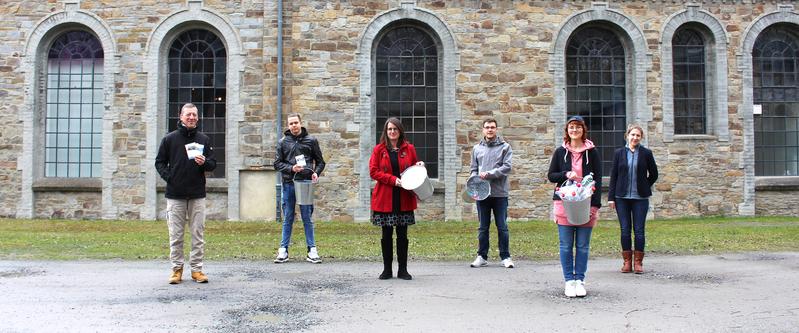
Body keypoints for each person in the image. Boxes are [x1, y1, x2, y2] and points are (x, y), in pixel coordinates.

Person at [155, 103, 217, 284]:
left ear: (198, 118)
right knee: (176, 235)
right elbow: (159, 162)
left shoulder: (204, 139)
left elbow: (213, 164)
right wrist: (170, 177)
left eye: (194, 115)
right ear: (181, 116)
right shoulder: (169, 139)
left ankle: (197, 270)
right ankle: (177, 270)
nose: (191, 118)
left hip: (197, 194)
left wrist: (204, 162)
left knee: (198, 234)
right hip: (175, 195)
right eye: (188, 114)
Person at [547, 115, 601, 298]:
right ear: (567, 130)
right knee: (565, 245)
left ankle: (580, 280)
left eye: (578, 127)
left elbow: (598, 181)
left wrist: (595, 207)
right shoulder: (559, 152)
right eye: (571, 127)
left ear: (583, 130)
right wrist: (565, 174)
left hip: (586, 204)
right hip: (564, 204)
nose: (574, 130)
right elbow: (551, 176)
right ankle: (569, 280)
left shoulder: (592, 152)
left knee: (583, 246)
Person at [369, 118, 424, 280]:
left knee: (402, 235)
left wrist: (419, 165)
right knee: (386, 235)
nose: (392, 132)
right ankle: (387, 270)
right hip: (385, 197)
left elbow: (414, 167)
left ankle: (403, 270)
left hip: (404, 197)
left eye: (395, 129)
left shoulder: (409, 148)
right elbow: (373, 172)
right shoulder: (379, 150)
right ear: (385, 131)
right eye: (389, 129)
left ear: (400, 131)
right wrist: (393, 180)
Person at [274, 113, 326, 264]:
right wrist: (292, 168)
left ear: (301, 123)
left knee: (307, 217)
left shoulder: (311, 140)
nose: (294, 126)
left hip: (305, 183)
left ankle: (312, 250)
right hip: (289, 183)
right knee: (288, 216)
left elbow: (321, 162)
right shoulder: (283, 142)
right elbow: (277, 164)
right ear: (288, 126)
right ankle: (283, 250)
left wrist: (316, 173)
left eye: (296, 122)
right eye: (291, 124)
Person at [608, 124, 659, 274]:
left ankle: (638, 263)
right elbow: (614, 177)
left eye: (638, 135)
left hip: (640, 198)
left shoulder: (646, 153)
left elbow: (654, 174)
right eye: (633, 135)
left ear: (641, 138)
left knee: (639, 230)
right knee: (625, 230)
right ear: (627, 135)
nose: (635, 138)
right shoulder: (619, 153)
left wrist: (644, 185)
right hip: (621, 198)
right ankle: (627, 262)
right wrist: (611, 198)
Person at [469, 118, 514, 269]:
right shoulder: (476, 149)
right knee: (483, 227)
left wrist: (489, 173)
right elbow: (473, 169)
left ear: (496, 129)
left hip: (500, 194)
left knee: (502, 226)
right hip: (482, 194)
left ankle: (506, 257)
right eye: (487, 127)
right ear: (483, 130)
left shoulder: (505, 147)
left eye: (492, 127)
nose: (490, 130)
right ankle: (482, 256)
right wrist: (473, 179)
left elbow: (506, 168)